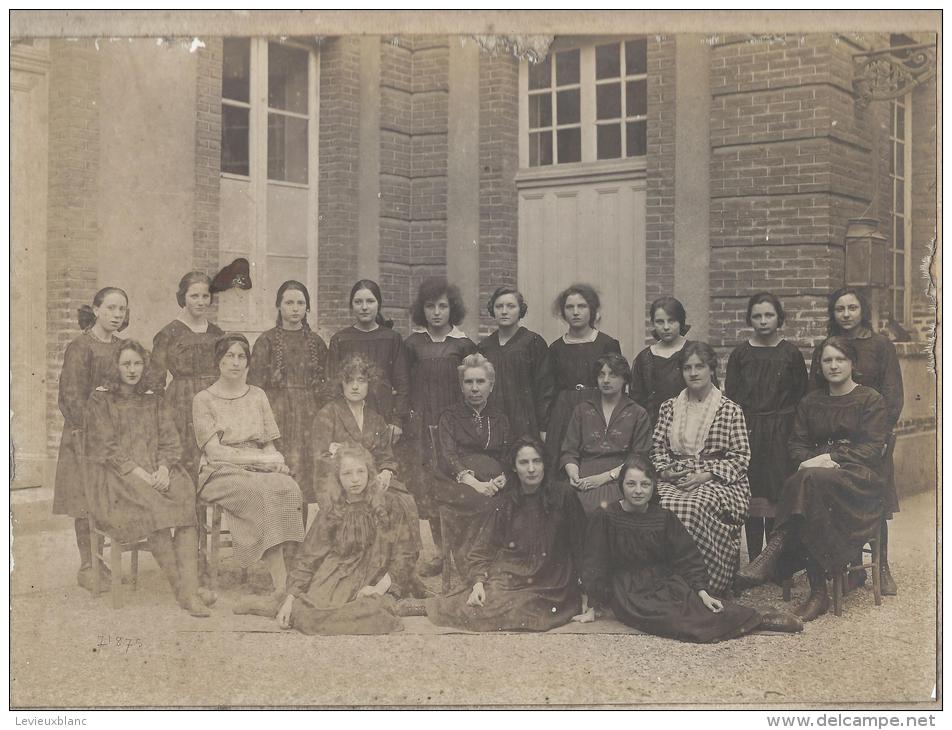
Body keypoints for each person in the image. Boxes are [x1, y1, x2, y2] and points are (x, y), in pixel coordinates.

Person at [736, 337, 889, 621]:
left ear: (852, 363)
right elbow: (796, 444)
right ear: (819, 366)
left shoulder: (870, 399)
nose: (833, 366)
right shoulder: (810, 402)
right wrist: (811, 461)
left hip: (857, 482)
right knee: (808, 485)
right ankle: (817, 592)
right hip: (816, 481)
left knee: (805, 484)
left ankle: (781, 555)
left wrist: (832, 459)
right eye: (827, 360)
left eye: (840, 359)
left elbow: (872, 448)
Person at [577, 455, 802, 642]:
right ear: (621, 486)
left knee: (694, 604)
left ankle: (756, 618)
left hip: (663, 581)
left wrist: (702, 592)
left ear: (653, 486)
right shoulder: (606, 516)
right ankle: (747, 623)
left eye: (645, 484)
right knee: (668, 618)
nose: (638, 490)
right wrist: (593, 605)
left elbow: (687, 556)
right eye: (631, 484)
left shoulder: (663, 517)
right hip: (628, 590)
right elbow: (595, 561)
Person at [83, 341, 213, 617]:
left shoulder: (153, 398)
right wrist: (139, 473)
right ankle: (185, 592)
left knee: (184, 498)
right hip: (118, 477)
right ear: (115, 367)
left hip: (157, 470)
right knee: (157, 509)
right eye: (126, 364)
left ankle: (189, 587)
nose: (132, 370)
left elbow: (169, 440)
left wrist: (164, 468)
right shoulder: (101, 399)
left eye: (138, 364)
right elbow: (105, 447)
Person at [245, 446, 417, 635]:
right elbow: (309, 556)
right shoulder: (333, 509)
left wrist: (379, 588)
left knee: (375, 612)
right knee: (306, 614)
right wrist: (290, 599)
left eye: (361, 471)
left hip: (374, 576)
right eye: (347, 473)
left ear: (370, 472)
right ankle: (280, 603)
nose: (355, 479)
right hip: (337, 574)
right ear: (337, 478)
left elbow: (405, 553)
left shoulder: (390, 504)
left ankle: (390, 605)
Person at [425, 437, 587, 632]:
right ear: (514, 468)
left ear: (545, 464)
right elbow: (482, 549)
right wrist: (478, 584)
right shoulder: (506, 503)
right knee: (484, 600)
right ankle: (425, 607)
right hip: (512, 574)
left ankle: (429, 607)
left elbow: (582, 545)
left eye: (537, 461)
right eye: (524, 462)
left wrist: (587, 593)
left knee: (523, 610)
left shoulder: (564, 496)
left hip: (550, 581)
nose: (531, 469)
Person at [192, 334, 304, 612]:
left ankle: (296, 576)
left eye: (241, 357)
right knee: (259, 492)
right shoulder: (203, 399)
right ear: (218, 361)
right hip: (220, 471)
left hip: (259, 464)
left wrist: (276, 462)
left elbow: (268, 442)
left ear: (248, 363)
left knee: (290, 488)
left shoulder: (257, 395)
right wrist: (261, 460)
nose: (235, 362)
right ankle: (282, 586)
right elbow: (215, 452)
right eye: (229, 356)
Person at [808, 287, 903, 595]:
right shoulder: (827, 347)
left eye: (851, 308)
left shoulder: (880, 345)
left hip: (871, 436)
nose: (846, 314)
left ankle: (882, 567)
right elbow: (815, 391)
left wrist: (880, 434)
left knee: (876, 501)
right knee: (837, 500)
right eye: (839, 309)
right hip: (835, 436)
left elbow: (893, 394)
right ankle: (846, 566)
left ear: (862, 310)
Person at [310, 354, 426, 596]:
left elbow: (386, 455)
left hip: (371, 481)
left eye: (361, 381)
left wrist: (385, 472)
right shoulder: (328, 413)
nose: (355, 386)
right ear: (341, 384)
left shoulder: (376, 418)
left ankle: (403, 572)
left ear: (368, 384)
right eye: (349, 380)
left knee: (405, 502)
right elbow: (320, 456)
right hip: (340, 483)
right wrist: (343, 462)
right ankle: (367, 572)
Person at [652, 341, 751, 597]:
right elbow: (657, 449)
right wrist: (665, 472)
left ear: (712, 369)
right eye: (687, 368)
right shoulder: (669, 407)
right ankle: (666, 583)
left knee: (692, 506)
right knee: (657, 503)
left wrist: (704, 475)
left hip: (719, 481)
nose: (693, 373)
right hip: (677, 479)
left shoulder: (729, 410)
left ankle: (707, 583)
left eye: (700, 367)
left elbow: (741, 457)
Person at [54, 287, 129, 592]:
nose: (116, 315)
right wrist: (91, 430)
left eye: (122, 310)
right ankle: (89, 564)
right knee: (85, 499)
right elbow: (71, 396)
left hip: (121, 436)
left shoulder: (126, 348)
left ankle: (116, 555)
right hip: (84, 436)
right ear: (96, 310)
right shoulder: (80, 347)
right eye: (110, 308)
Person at [725, 292, 808, 560]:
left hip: (781, 430)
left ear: (779, 318)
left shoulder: (791, 353)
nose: (763, 321)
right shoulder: (740, 354)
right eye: (757, 316)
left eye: (768, 315)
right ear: (750, 319)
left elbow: (800, 396)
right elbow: (732, 395)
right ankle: (753, 558)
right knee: (751, 492)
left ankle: (774, 559)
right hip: (747, 429)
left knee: (776, 493)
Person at [402, 278, 476, 575]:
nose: (436, 312)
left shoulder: (464, 344)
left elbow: (473, 386)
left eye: (442, 306)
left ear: (452, 309)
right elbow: (404, 384)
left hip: (452, 427)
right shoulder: (412, 344)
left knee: (454, 485)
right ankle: (441, 554)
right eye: (430, 306)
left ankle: (460, 554)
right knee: (429, 489)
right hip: (421, 426)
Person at [248, 280, 328, 506]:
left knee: (303, 477)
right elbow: (255, 387)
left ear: (307, 308)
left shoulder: (317, 342)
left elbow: (326, 387)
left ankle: (297, 539)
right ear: (279, 306)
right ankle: (278, 538)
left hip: (309, 417)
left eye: (300, 303)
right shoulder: (266, 341)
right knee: (279, 475)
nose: (295, 308)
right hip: (277, 416)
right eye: (289, 302)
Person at [432, 354, 512, 574]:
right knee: (487, 504)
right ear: (461, 385)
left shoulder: (499, 418)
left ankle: (502, 567)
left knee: (512, 502)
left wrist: (502, 478)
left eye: (480, 382)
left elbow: (507, 454)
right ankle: (474, 566)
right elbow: (448, 456)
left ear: (491, 385)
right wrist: (475, 484)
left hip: (493, 481)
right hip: (456, 483)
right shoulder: (449, 416)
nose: (475, 388)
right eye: (469, 382)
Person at [145, 271, 224, 480]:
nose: (200, 302)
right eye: (194, 296)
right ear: (183, 298)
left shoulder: (217, 334)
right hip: (180, 403)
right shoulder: (168, 333)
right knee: (185, 460)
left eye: (205, 296)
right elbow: (155, 379)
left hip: (212, 402)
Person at [539, 283, 622, 471]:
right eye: (570, 307)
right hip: (563, 412)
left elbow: (618, 386)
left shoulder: (607, 344)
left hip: (597, 408)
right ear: (563, 312)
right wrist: (545, 427)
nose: (575, 312)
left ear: (591, 310)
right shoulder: (555, 348)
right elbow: (547, 390)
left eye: (582, 306)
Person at [559, 353, 651, 514]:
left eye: (613, 375)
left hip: (621, 478)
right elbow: (569, 451)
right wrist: (574, 475)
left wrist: (604, 478)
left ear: (625, 379)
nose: (606, 380)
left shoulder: (638, 413)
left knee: (606, 511)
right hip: (584, 476)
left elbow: (639, 458)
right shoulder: (582, 410)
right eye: (601, 375)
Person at [326, 279, 410, 443]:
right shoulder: (340, 339)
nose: (364, 307)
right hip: (349, 418)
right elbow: (332, 385)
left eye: (370, 301)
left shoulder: (392, 338)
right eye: (358, 302)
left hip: (384, 415)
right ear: (351, 306)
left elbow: (403, 384)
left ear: (379, 304)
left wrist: (397, 421)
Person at [477, 285, 549, 441]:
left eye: (510, 306)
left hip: (525, 420)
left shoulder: (533, 342)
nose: (504, 311)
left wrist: (544, 426)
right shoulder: (484, 347)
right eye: (499, 306)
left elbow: (545, 388)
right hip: (493, 418)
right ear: (492, 310)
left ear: (520, 310)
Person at [630, 296, 691, 424]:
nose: (666, 327)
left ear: (681, 322)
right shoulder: (644, 358)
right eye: (660, 322)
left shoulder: (694, 352)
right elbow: (636, 402)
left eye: (672, 321)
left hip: (690, 426)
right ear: (653, 323)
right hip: (654, 428)